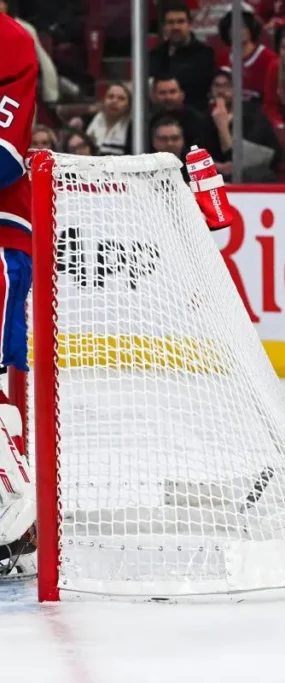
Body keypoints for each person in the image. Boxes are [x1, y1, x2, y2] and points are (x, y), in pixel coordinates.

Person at [0, 13, 37, 579]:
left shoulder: (9, 41)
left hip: (1, 237)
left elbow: (4, 157)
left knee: (2, 373)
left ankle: (14, 520)